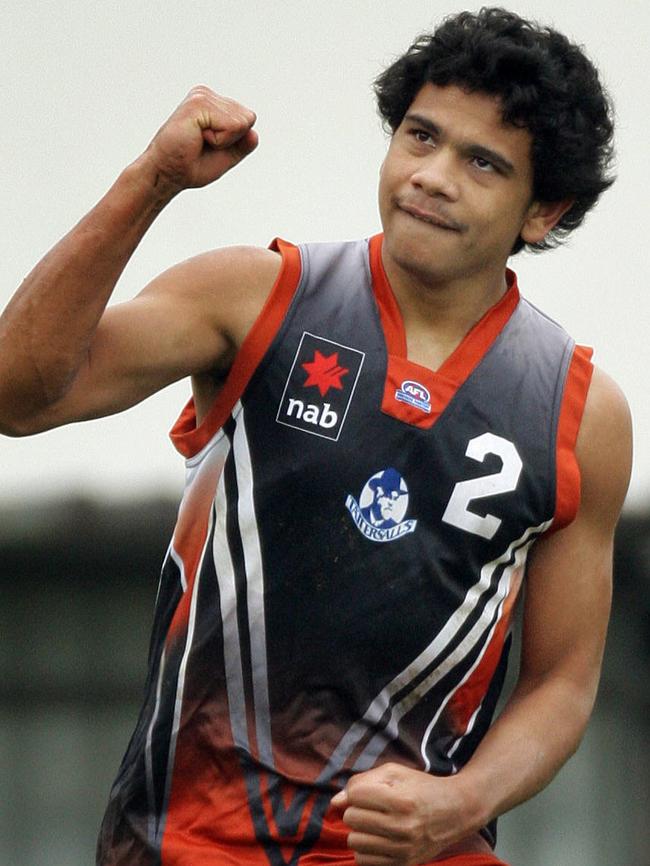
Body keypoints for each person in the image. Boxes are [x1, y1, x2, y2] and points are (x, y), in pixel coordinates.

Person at [0, 7, 632, 866]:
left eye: (482, 162)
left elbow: (562, 682)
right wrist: (151, 179)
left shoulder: (581, 413)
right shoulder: (253, 296)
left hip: (416, 852)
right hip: (184, 842)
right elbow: (20, 397)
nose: (433, 176)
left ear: (542, 210)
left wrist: (462, 803)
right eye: (420, 136)